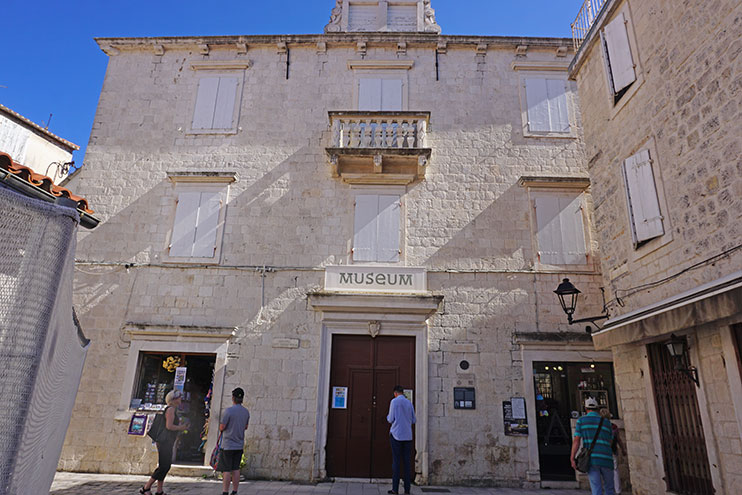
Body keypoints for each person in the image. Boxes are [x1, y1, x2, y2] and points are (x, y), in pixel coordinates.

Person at [140, 389, 189, 495]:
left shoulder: (172, 409)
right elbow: (169, 426)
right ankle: (146, 487)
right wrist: (181, 427)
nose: (181, 399)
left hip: (167, 441)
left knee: (164, 465)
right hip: (164, 441)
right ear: (174, 399)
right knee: (164, 466)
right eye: (179, 397)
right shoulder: (170, 409)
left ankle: (159, 490)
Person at [571, 398, 615, 495]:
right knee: (610, 488)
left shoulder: (581, 421)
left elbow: (576, 441)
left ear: (586, 409)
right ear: (597, 408)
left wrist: (572, 457)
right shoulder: (607, 423)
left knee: (596, 488)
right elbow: (610, 441)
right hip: (607, 458)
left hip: (592, 459)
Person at [218, 387, 251, 495]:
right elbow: (245, 427)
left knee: (226, 470)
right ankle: (235, 491)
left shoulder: (229, 411)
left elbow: (222, 427)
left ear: (233, 398)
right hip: (239, 444)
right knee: (236, 469)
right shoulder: (246, 412)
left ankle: (225, 491)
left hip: (227, 445)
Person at [386, 385, 416, 495]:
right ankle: (407, 490)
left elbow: (390, 419)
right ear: (403, 392)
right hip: (408, 436)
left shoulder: (394, 402)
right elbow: (413, 419)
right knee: (407, 463)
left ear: (395, 393)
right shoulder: (409, 403)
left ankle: (395, 489)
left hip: (396, 435)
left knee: (396, 462)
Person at [600, 408, 627, 494]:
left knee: (602, 471)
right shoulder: (614, 427)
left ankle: (607, 489)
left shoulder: (599, 427)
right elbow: (618, 440)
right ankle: (617, 490)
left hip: (602, 451)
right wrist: (623, 449)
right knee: (615, 470)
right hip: (612, 450)